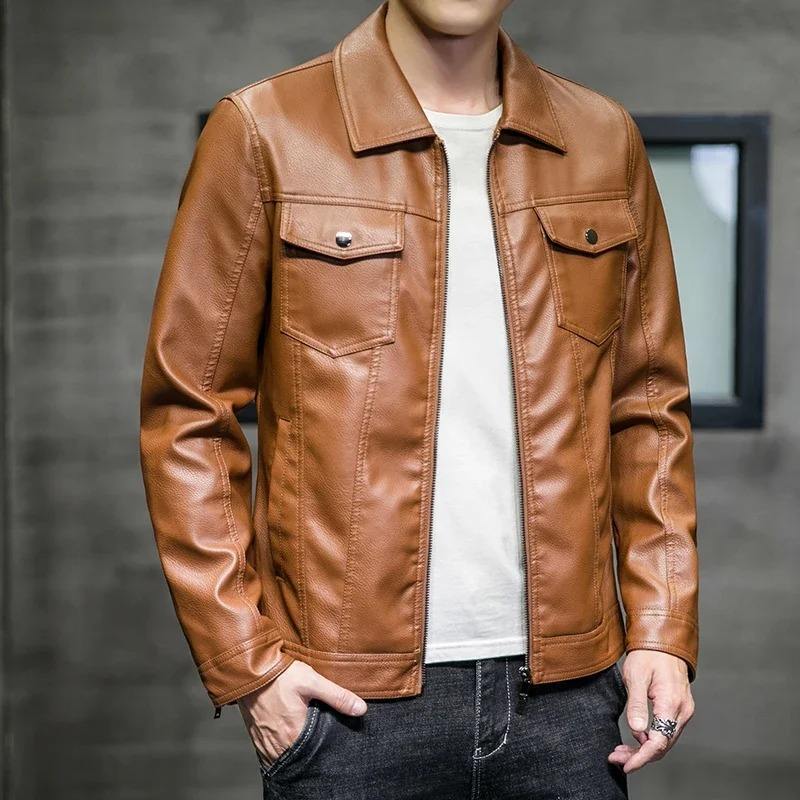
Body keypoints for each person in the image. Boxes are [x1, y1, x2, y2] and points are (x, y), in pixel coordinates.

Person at [139, 1, 699, 797]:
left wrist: (662, 629)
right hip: (345, 706)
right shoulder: (266, 130)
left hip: (571, 701)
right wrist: (250, 665)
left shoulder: (604, 139)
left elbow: (649, 407)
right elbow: (188, 413)